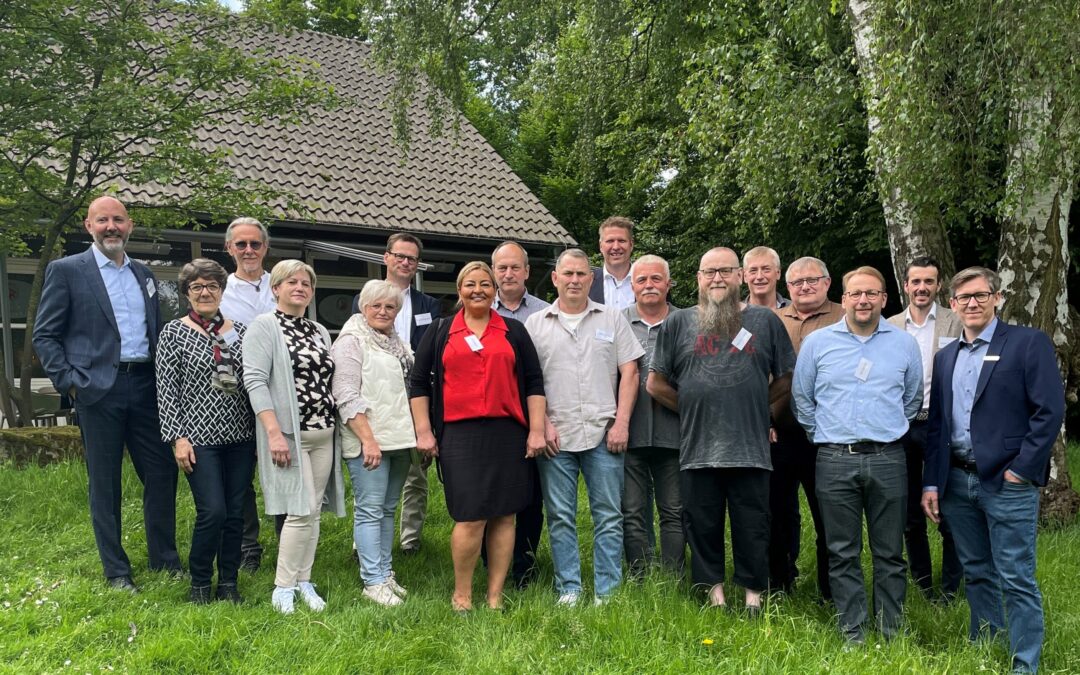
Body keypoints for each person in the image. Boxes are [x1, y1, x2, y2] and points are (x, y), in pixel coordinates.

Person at [922, 267, 1065, 674]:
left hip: (1006, 481)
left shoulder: (1026, 344)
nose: (972, 303)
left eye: (981, 295)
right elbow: (938, 426)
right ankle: (985, 644)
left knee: (1016, 576)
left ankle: (1025, 662)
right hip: (956, 482)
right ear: (952, 304)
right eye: (963, 297)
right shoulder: (946, 356)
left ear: (997, 298)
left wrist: (1022, 470)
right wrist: (932, 481)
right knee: (977, 572)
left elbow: (1049, 411)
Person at [33, 196, 180, 592]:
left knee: (162, 473)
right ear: (89, 226)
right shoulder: (67, 271)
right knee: (105, 481)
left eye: (118, 219)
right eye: (103, 220)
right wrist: (71, 383)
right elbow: (45, 335)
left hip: (147, 387)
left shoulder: (144, 273)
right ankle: (117, 571)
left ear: (129, 226)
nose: (111, 226)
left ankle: (165, 559)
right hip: (98, 390)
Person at [648, 247, 795, 613]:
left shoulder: (765, 321)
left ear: (740, 277)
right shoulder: (678, 323)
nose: (717, 279)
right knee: (702, 522)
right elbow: (655, 383)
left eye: (726, 272)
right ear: (698, 278)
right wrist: (698, 408)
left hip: (750, 447)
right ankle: (713, 594)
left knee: (753, 523)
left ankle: (753, 596)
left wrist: (758, 405)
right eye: (709, 272)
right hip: (698, 446)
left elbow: (787, 377)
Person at [792, 266, 923, 644]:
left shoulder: (903, 345)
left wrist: (886, 428)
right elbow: (804, 399)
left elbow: (912, 399)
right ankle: (853, 631)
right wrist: (827, 436)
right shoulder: (818, 344)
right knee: (841, 552)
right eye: (856, 294)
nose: (863, 300)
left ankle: (891, 631)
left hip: (888, 458)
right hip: (835, 459)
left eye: (872, 294)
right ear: (844, 299)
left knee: (890, 553)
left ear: (884, 299)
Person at [410, 262, 547, 611]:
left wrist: (535, 430)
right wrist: (424, 431)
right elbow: (418, 383)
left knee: (504, 515)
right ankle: (462, 595)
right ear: (459, 290)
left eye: (486, 284)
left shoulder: (513, 331)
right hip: (460, 434)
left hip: (508, 434)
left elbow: (533, 382)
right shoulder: (442, 331)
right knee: (470, 515)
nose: (478, 290)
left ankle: (495, 595)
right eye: (470, 284)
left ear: (495, 290)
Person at [526, 249, 643, 605]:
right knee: (561, 515)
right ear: (556, 279)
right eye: (568, 274)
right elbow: (529, 381)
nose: (575, 280)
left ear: (591, 280)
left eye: (581, 275)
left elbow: (631, 373)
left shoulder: (612, 318)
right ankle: (569, 589)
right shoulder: (536, 324)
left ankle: (606, 591)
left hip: (603, 433)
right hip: (555, 435)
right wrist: (542, 423)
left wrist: (622, 422)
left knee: (608, 514)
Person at [243, 260, 346, 614]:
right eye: (292, 282)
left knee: (313, 511)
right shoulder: (264, 327)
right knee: (299, 511)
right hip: (290, 434)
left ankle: (304, 579)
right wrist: (274, 433)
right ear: (276, 289)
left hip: (323, 433)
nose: (300, 287)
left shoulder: (319, 330)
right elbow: (255, 381)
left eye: (306, 283)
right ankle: (282, 586)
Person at [155, 259, 256, 604]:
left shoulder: (240, 331)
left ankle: (228, 582)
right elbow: (166, 390)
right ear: (186, 294)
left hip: (241, 437)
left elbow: (254, 381)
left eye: (212, 286)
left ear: (222, 291)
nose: (205, 292)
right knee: (212, 511)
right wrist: (177, 438)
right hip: (198, 439)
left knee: (233, 513)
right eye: (197, 287)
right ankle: (200, 581)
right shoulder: (173, 332)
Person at [352, 233, 441, 556]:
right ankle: (364, 542)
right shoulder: (364, 298)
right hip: (375, 398)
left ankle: (410, 539)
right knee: (373, 475)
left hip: (414, 395)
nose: (405, 262)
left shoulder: (429, 305)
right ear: (386, 257)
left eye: (412, 258)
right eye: (400, 256)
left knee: (416, 473)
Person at [332, 280, 417, 606]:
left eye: (390, 306)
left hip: (398, 439)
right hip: (369, 441)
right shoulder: (352, 341)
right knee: (369, 511)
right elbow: (346, 394)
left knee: (387, 510)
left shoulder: (398, 342)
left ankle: (384, 573)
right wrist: (368, 440)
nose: (383, 311)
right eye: (376, 306)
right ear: (363, 308)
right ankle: (372, 582)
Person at [886, 256, 963, 601]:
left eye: (928, 282)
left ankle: (950, 589)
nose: (921, 288)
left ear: (938, 286)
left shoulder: (956, 322)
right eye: (915, 281)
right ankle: (923, 586)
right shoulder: (888, 325)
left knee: (948, 508)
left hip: (940, 424)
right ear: (905, 285)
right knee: (908, 514)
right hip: (901, 426)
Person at [768, 256, 844, 598]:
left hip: (828, 437)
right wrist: (763, 419)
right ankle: (779, 583)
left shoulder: (845, 316)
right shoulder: (771, 320)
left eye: (812, 280)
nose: (805, 287)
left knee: (829, 517)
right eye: (797, 283)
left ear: (828, 283)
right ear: (788, 288)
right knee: (777, 515)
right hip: (779, 432)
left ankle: (831, 591)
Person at [488, 241, 550, 588]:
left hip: (532, 418)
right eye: (502, 268)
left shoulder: (545, 313)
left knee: (529, 496)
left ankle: (524, 565)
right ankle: (490, 560)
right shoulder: (479, 310)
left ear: (527, 271)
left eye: (515, 267)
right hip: (492, 420)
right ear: (493, 271)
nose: (508, 274)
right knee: (493, 493)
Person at [218, 216, 277, 572]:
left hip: (282, 391)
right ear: (230, 249)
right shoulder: (220, 291)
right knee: (240, 473)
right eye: (241, 244)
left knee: (284, 466)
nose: (249, 250)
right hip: (237, 392)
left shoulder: (283, 284)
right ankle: (248, 546)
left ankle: (290, 539)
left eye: (255, 244)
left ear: (265, 248)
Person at [621, 255, 684, 575]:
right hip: (629, 434)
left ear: (668, 284)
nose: (649, 285)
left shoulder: (687, 321)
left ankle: (672, 579)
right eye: (642, 280)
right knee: (632, 511)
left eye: (656, 279)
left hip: (676, 435)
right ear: (631, 286)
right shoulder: (616, 321)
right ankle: (639, 575)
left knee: (673, 510)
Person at [588, 216, 636, 309]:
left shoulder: (649, 281)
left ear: (631, 244)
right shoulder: (587, 282)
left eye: (621, 241)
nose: (616, 247)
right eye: (610, 241)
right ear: (601, 246)